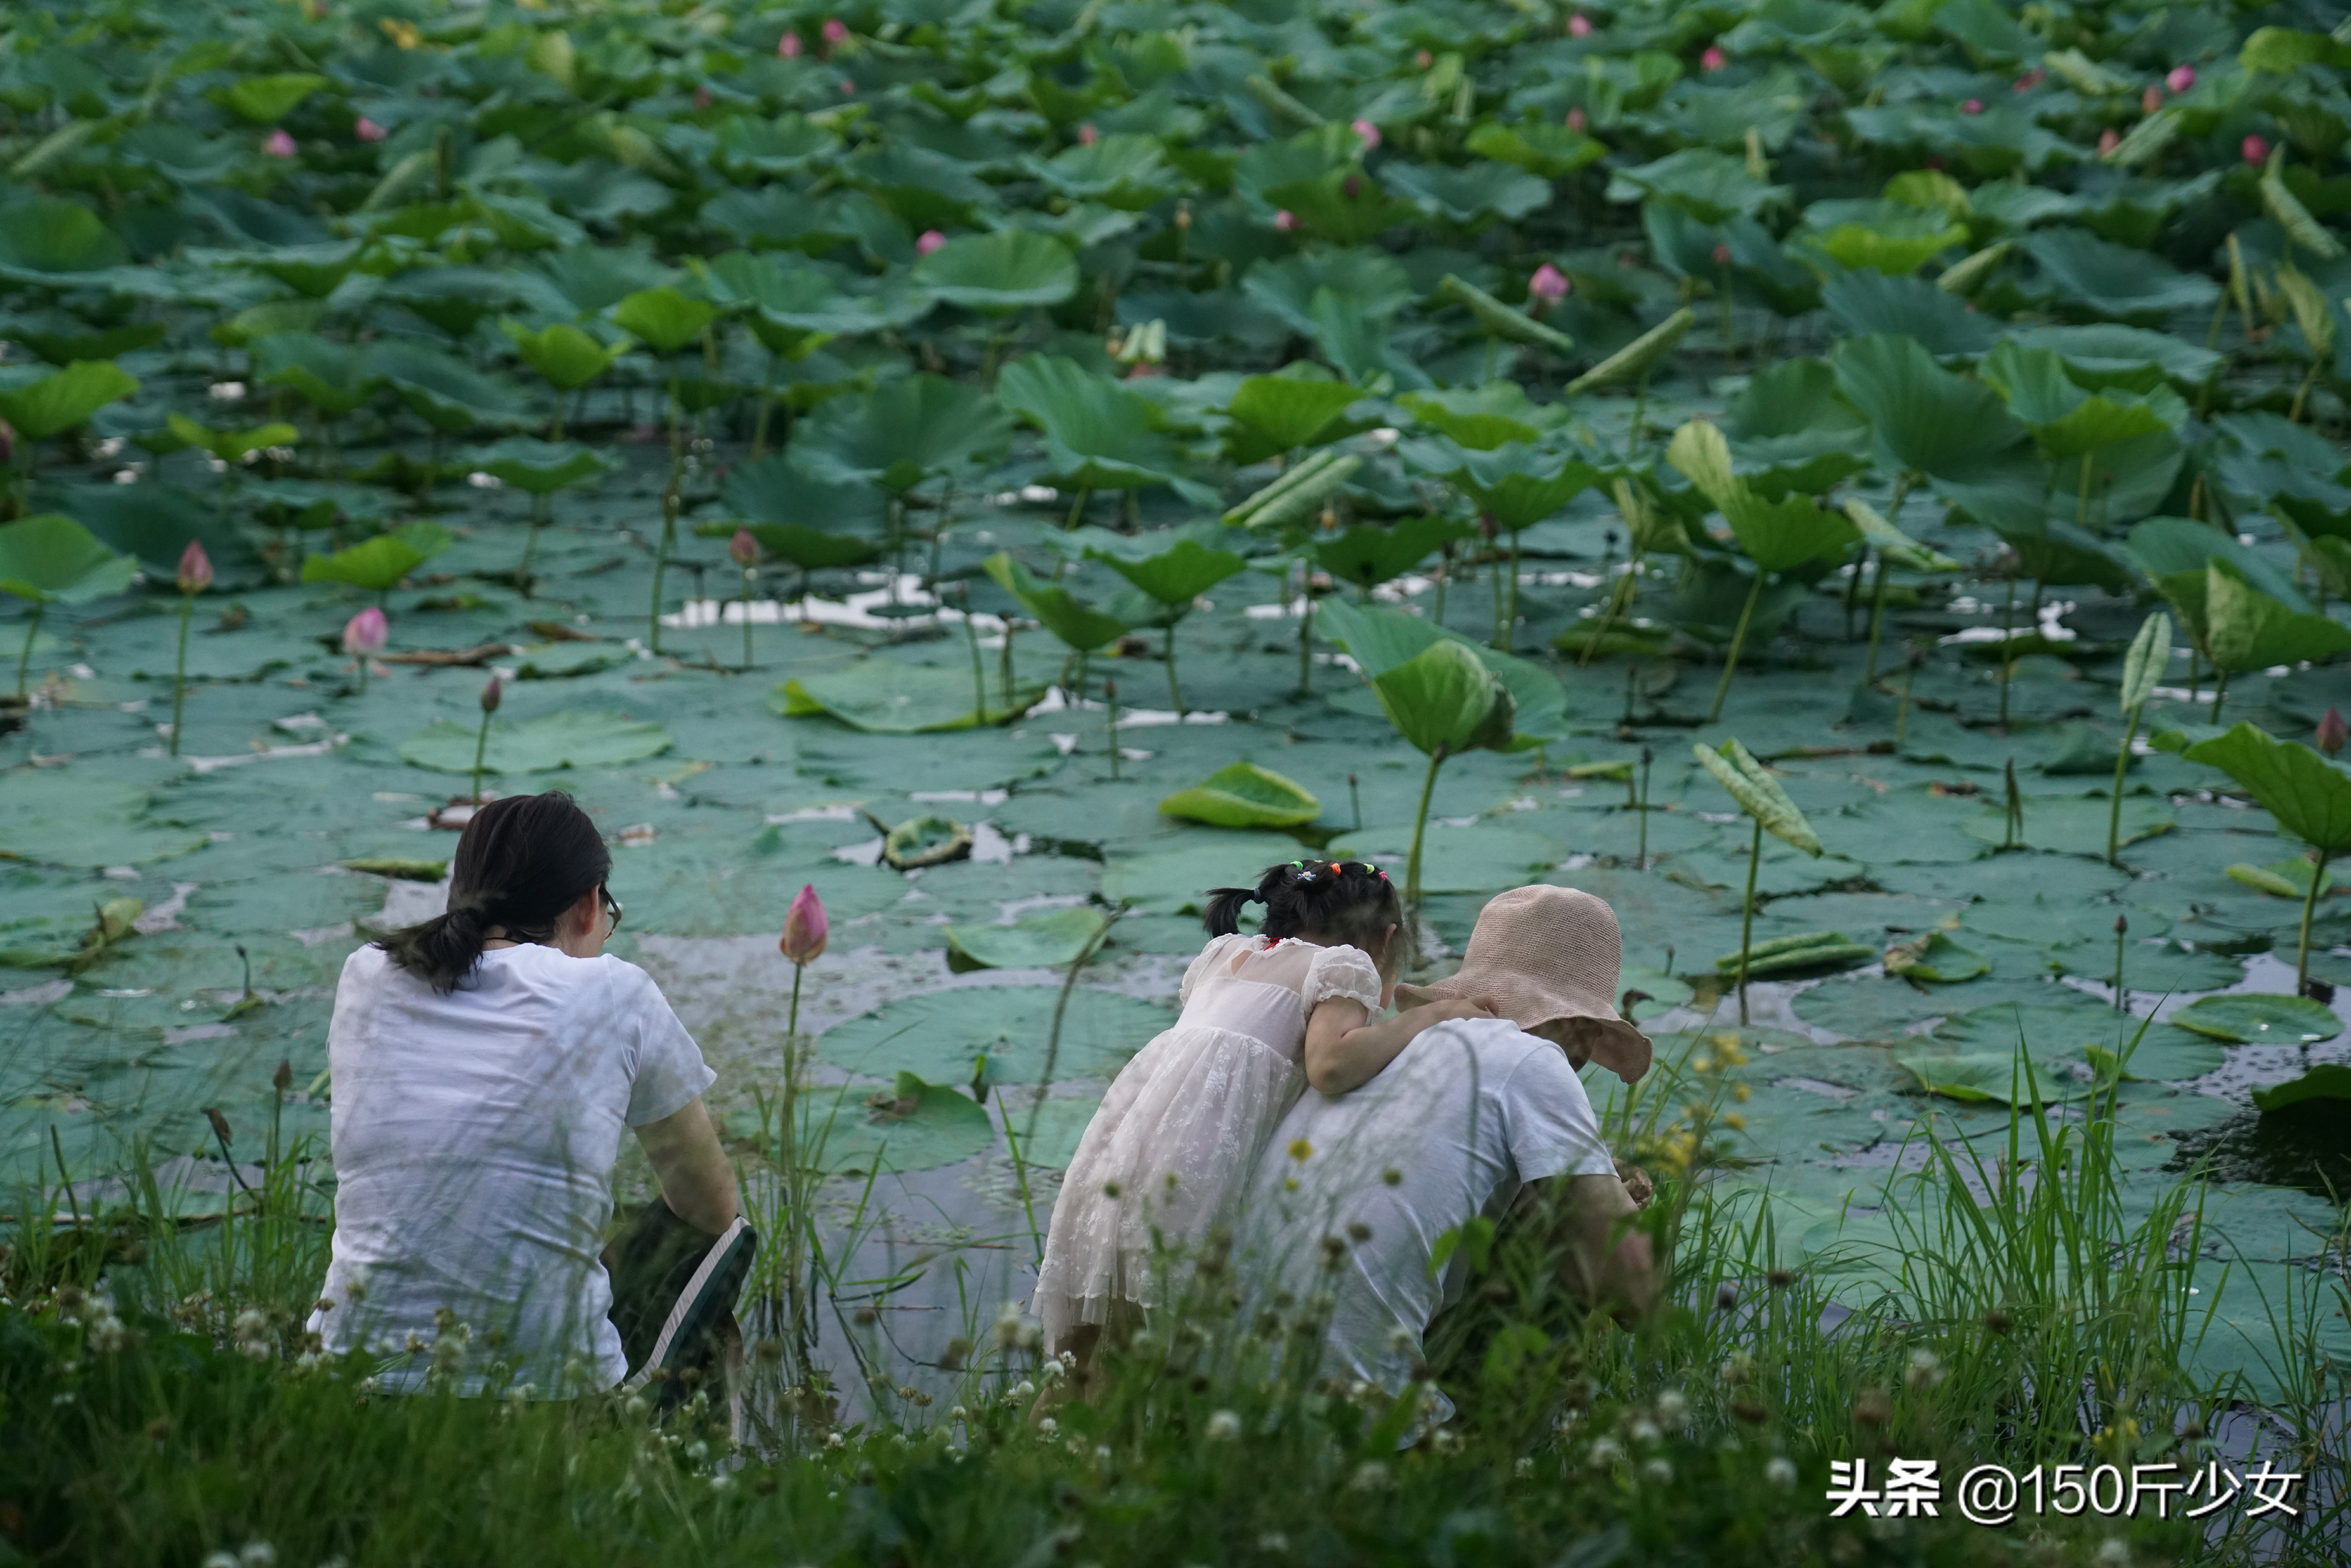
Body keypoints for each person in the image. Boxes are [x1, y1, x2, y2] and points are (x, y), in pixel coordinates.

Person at [306, 792, 740, 1397]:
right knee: (727, 1241)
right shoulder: (615, 991)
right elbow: (712, 1205)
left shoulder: (368, 974)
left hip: (348, 1378)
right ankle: (680, 1445)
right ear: (590, 906)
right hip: (549, 1397)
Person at [1032, 859, 1491, 1361]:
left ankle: (1044, 1437)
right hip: (1190, 1176)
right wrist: (1433, 1015)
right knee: (1138, 1365)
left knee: (1082, 1357)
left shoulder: (1225, 955)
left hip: (1117, 1158)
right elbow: (1330, 1065)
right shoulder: (1342, 966)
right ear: (1387, 937)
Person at [1235, 884, 1660, 1418]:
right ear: (1581, 1023)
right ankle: (1507, 1458)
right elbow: (1637, 1291)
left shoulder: (1392, 1047)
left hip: (1231, 1398)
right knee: (1560, 1252)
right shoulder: (1532, 1061)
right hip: (1356, 1430)